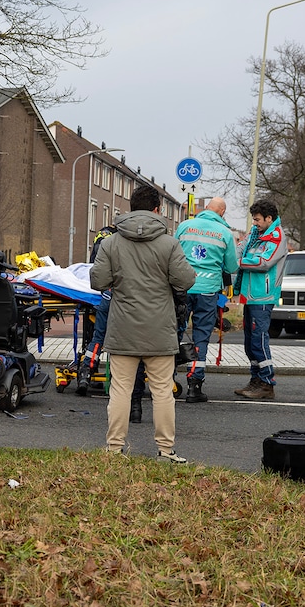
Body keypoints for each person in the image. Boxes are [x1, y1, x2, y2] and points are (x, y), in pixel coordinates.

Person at [90, 185, 196, 462]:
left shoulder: (111, 243)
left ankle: (114, 449)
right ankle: (165, 450)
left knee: (121, 389)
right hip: (159, 330)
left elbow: (97, 281)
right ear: (158, 210)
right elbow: (185, 281)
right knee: (162, 391)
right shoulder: (169, 243)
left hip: (123, 327)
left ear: (130, 207)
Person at [75, 224, 149, 423]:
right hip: (125, 298)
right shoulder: (125, 241)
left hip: (107, 295)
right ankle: (135, 398)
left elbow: (94, 269)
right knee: (134, 344)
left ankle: (85, 373)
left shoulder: (102, 237)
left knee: (98, 336)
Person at [174, 197, 238, 402]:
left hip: (182, 287)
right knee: (201, 335)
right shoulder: (225, 233)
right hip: (208, 291)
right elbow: (231, 268)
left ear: (206, 209)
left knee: (174, 332)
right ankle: (194, 385)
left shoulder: (184, 226)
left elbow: (171, 255)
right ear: (222, 213)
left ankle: (166, 381)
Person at [234, 199, 288, 400]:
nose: (254, 223)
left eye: (257, 220)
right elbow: (239, 249)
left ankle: (267, 383)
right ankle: (255, 380)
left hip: (263, 296)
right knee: (250, 342)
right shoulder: (255, 234)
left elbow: (264, 262)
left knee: (259, 340)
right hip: (250, 296)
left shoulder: (277, 236)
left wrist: (238, 262)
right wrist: (233, 257)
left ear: (269, 218)